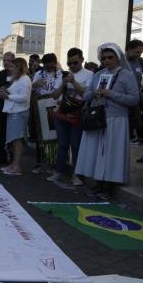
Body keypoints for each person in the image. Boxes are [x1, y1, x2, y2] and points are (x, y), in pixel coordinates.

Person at [74, 43, 139, 200]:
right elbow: (86, 96)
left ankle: (109, 187)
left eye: (110, 57)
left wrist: (111, 94)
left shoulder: (127, 75)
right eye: (103, 58)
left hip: (117, 120)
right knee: (97, 153)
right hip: (98, 117)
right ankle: (97, 184)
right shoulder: (98, 75)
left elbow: (135, 99)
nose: (107, 60)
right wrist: (93, 93)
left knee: (111, 154)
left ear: (118, 58)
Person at [48, 48, 93, 185]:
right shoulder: (62, 74)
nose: (72, 66)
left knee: (76, 145)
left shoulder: (89, 74)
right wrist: (63, 82)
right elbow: (54, 95)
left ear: (82, 60)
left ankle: (76, 174)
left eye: (75, 63)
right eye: (70, 63)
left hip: (78, 114)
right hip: (62, 113)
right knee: (62, 145)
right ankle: (59, 172)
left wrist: (73, 82)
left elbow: (87, 94)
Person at [29, 53, 62, 173]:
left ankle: (52, 164)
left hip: (55, 107)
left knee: (55, 137)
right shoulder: (39, 74)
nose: (48, 67)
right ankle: (39, 163)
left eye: (51, 64)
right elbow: (30, 88)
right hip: (41, 107)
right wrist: (35, 84)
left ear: (55, 63)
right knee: (41, 138)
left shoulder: (60, 74)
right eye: (46, 64)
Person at [0, 58, 31, 175]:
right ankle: (14, 164)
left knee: (17, 139)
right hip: (14, 112)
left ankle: (17, 165)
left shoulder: (25, 79)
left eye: (12, 67)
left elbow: (24, 97)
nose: (10, 69)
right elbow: (14, 92)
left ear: (19, 67)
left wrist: (8, 97)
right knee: (14, 140)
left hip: (19, 112)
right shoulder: (18, 79)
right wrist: (5, 91)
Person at [0, 52, 16, 164]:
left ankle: (12, 158)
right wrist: (0, 89)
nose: (6, 63)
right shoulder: (1, 73)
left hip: (13, 107)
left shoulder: (18, 74)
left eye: (9, 60)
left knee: (12, 133)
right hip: (3, 106)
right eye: (4, 60)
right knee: (1, 132)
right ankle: (2, 155)